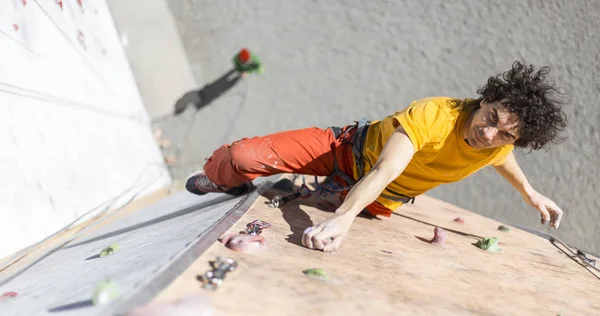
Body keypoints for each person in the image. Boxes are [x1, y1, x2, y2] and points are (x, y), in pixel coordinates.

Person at [186, 61, 568, 252]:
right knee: (243, 156)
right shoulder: (435, 116)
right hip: (347, 153)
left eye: (505, 134)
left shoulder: (498, 145)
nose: (489, 135)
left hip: (382, 203)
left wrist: (530, 193)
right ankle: (221, 179)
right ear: (486, 99)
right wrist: (344, 218)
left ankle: (336, 197)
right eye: (491, 119)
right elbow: (386, 169)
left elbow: (500, 158)